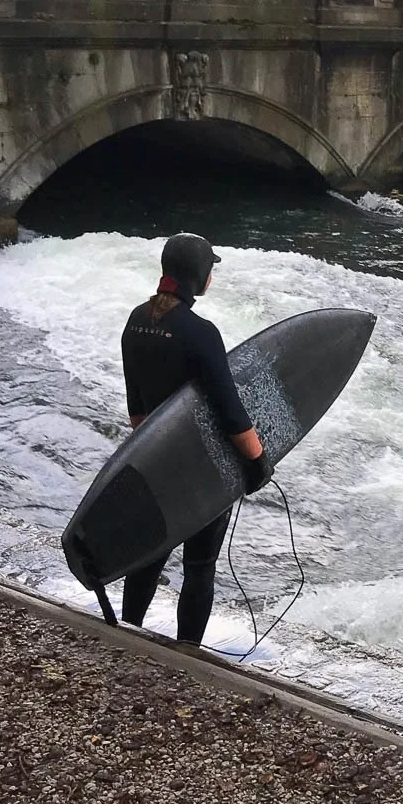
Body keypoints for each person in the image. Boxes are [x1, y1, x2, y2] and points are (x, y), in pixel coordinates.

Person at [119, 234, 268, 645]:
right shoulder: (200, 332)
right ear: (200, 276)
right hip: (202, 470)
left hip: (154, 461)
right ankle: (187, 653)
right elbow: (231, 411)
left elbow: (137, 408)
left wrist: (151, 455)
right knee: (200, 566)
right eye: (211, 269)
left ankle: (127, 632)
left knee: (148, 555)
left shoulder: (135, 320)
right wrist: (257, 462)